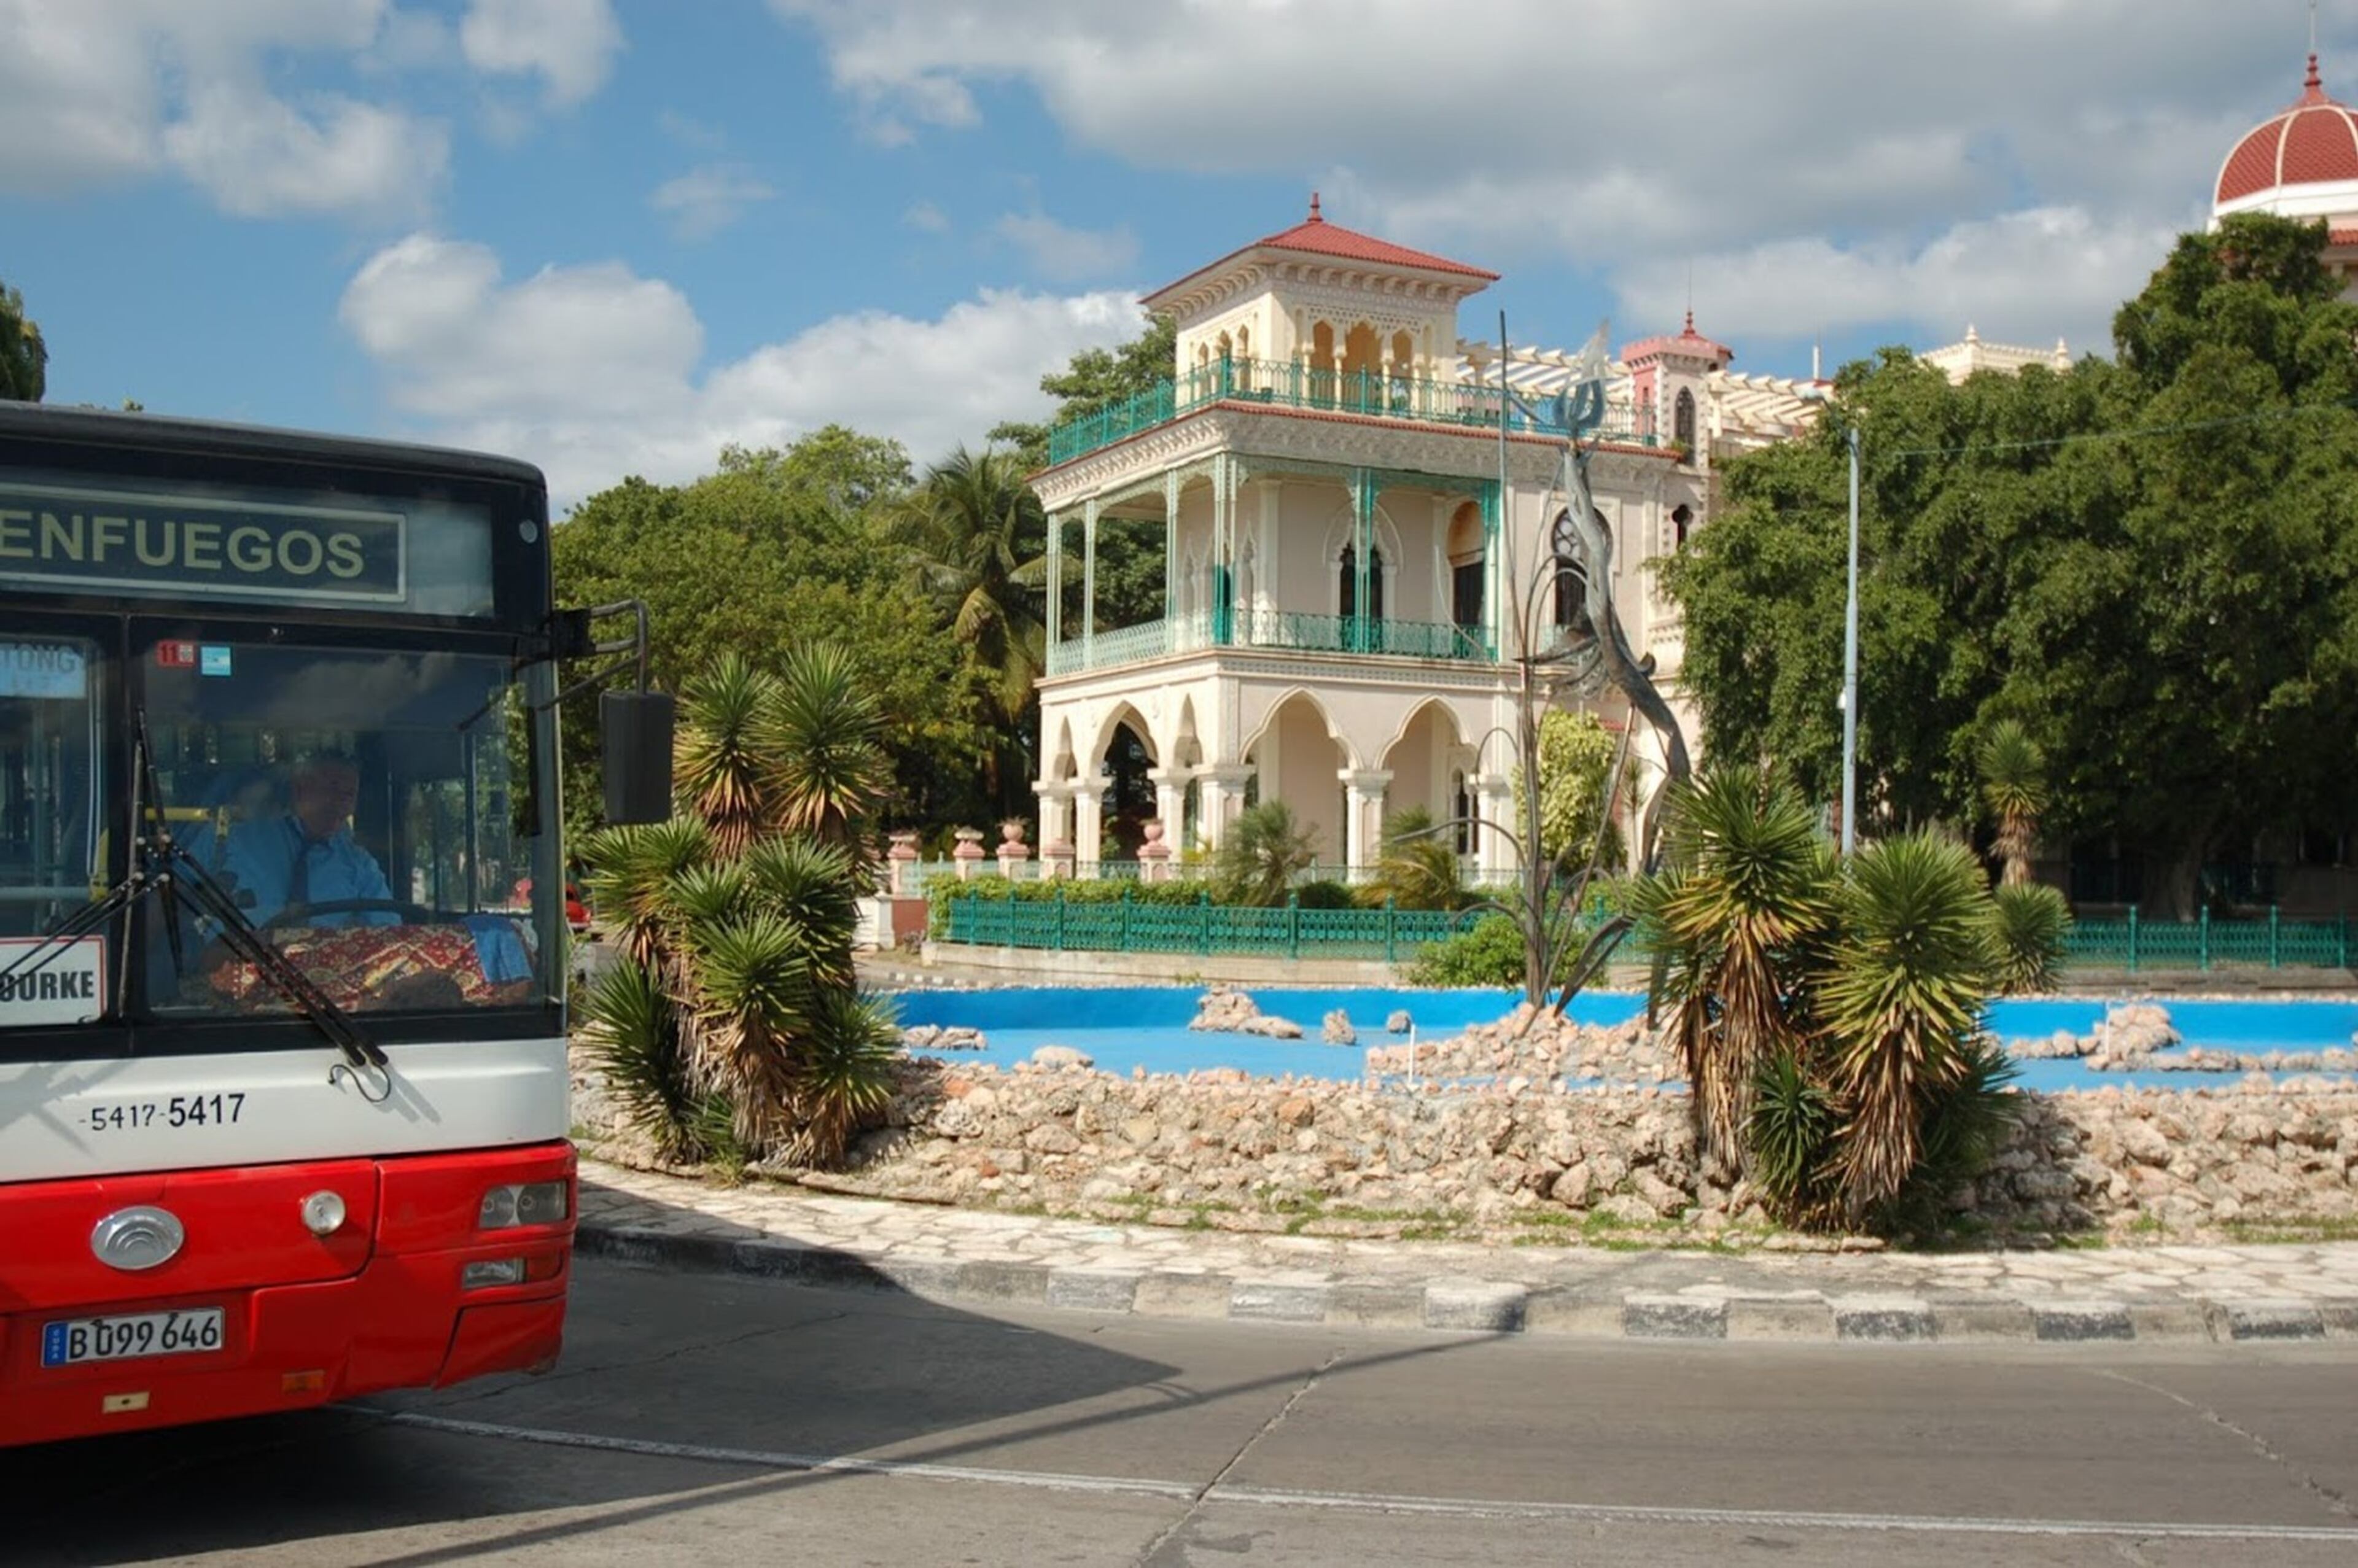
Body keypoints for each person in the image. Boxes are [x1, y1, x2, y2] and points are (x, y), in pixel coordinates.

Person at [205, 753, 397, 926]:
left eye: (349, 794)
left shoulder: (359, 865)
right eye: (332, 790)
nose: (340, 803)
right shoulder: (230, 837)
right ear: (300, 789)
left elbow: (388, 934)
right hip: (239, 961)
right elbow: (184, 900)